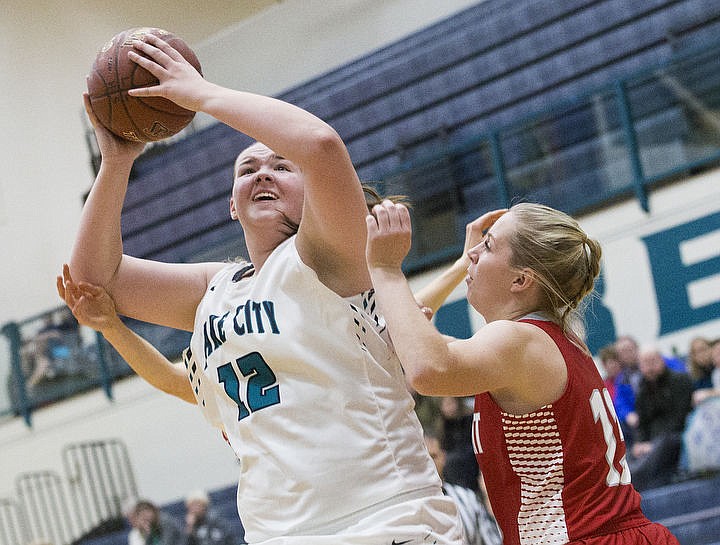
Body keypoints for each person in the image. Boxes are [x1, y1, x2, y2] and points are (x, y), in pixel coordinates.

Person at [65, 33, 462, 545]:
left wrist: (200, 95)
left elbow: (319, 146)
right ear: (232, 205)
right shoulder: (214, 287)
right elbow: (92, 280)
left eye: (280, 166)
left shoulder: (329, 257)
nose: (262, 174)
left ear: (312, 191)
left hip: (383, 520)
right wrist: (116, 163)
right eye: (246, 169)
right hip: (277, 533)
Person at [365, 200, 680, 544]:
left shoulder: (519, 341)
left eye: (487, 246)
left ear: (520, 279)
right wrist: (457, 267)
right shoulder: (544, 339)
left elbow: (427, 369)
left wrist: (385, 268)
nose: (473, 253)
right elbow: (401, 340)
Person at [629, 347, 694, 490]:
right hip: (653, 442)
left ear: (662, 360)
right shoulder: (642, 391)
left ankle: (632, 479)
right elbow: (642, 423)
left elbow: (680, 417)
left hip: (676, 435)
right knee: (630, 451)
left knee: (664, 443)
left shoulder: (680, 380)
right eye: (645, 363)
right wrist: (640, 443)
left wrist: (652, 443)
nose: (650, 367)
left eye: (653, 361)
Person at [424, 432, 502, 545]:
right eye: (425, 458)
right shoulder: (407, 507)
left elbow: (492, 540)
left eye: (434, 456)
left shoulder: (468, 498)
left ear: (443, 457)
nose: (430, 464)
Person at [598, 344, 637, 446]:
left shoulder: (629, 378)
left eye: (614, 362)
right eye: (607, 363)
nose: (612, 366)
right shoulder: (602, 386)